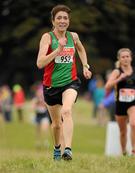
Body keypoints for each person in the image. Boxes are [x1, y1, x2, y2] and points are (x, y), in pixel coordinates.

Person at [36, 4, 92, 160]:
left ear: (69, 21)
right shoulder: (47, 37)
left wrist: (85, 66)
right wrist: (57, 51)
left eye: (65, 18)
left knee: (66, 111)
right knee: (56, 124)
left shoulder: (73, 36)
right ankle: (57, 148)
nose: (62, 21)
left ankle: (68, 150)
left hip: (70, 82)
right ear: (53, 21)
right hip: (51, 86)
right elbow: (40, 63)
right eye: (59, 18)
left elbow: (80, 49)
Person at [105, 48, 135, 156]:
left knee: (133, 124)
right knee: (123, 132)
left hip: (133, 103)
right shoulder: (117, 71)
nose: (126, 59)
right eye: (123, 57)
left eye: (127, 56)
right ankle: (123, 152)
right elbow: (107, 86)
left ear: (131, 58)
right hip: (120, 104)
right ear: (119, 59)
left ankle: (133, 151)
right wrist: (119, 79)